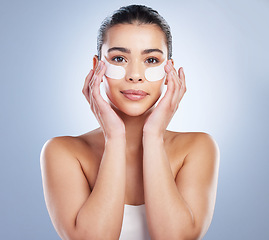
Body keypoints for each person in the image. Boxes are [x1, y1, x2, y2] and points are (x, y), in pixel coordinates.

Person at [40, 4, 220, 240]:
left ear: (170, 71)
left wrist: (154, 136)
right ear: (97, 68)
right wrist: (114, 137)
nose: (135, 74)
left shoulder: (198, 148)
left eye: (152, 60)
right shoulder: (63, 152)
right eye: (119, 58)